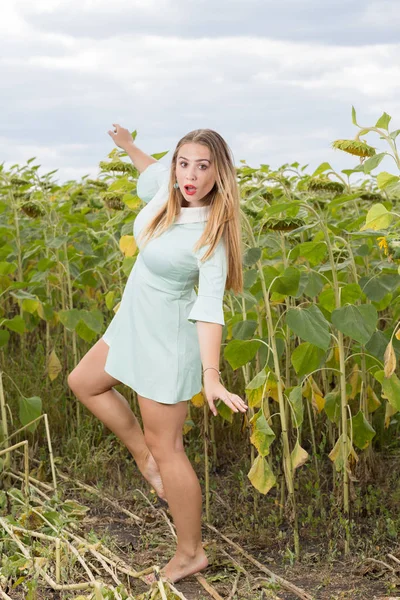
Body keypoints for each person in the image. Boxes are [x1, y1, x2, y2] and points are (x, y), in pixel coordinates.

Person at [67, 124, 248, 585]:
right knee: (84, 383)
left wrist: (211, 374)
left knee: (169, 448)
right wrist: (128, 145)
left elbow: (209, 307)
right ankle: (142, 457)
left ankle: (190, 553)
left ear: (218, 174)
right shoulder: (166, 191)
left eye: (202, 166)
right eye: (183, 162)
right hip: (132, 321)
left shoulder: (211, 234)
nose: (190, 174)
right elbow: (150, 172)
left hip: (168, 336)